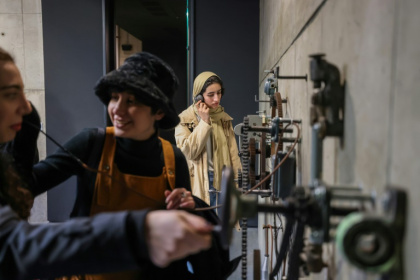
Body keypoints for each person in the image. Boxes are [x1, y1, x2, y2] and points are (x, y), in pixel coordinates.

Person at [0, 47, 212, 280]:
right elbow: (24, 190)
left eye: (131, 101)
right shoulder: (92, 143)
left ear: (159, 112)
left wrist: (190, 205)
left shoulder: (174, 158)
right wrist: (25, 135)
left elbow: (182, 232)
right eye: (114, 97)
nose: (117, 110)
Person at [175, 72, 242, 208]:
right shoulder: (184, 119)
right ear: (199, 96)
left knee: (224, 224)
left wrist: (239, 180)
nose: (216, 99)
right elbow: (188, 152)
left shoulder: (223, 118)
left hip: (224, 178)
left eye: (219, 93)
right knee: (206, 223)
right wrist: (204, 122)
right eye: (211, 95)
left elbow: (233, 153)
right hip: (202, 180)